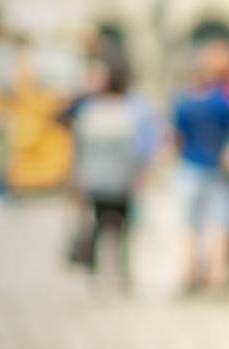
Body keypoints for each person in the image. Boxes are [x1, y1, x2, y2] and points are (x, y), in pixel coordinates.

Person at [60, 57, 157, 291]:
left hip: (114, 178)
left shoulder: (126, 107)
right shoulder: (96, 106)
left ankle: (116, 272)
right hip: (101, 178)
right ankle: (107, 273)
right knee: (104, 226)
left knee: (118, 226)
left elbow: (144, 144)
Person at [171, 34, 229, 292]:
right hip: (219, 167)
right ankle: (217, 275)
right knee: (219, 223)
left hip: (190, 165)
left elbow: (176, 136)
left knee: (190, 224)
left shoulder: (184, 98)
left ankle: (189, 274)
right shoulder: (227, 98)